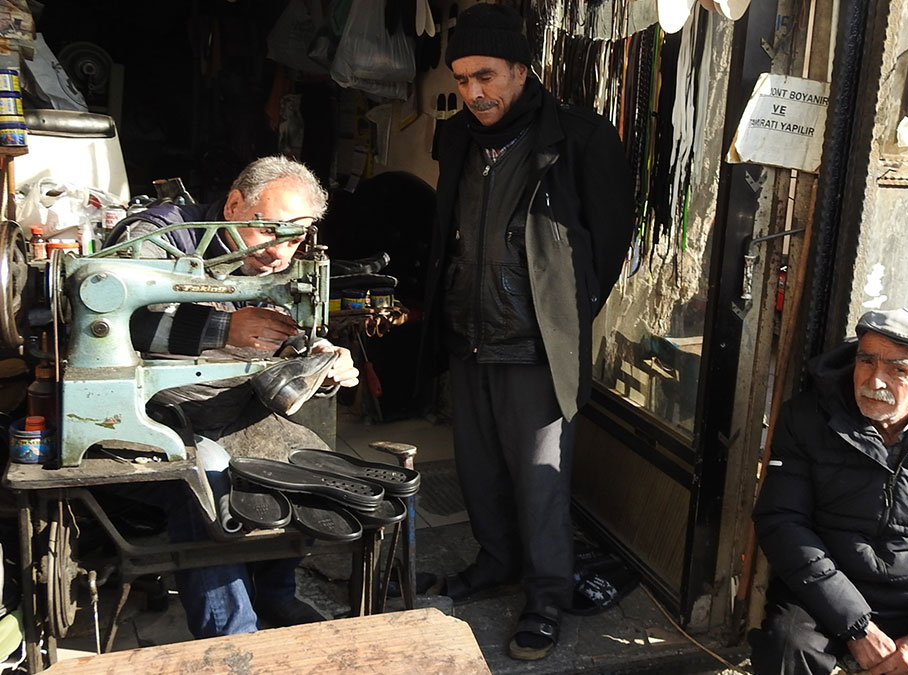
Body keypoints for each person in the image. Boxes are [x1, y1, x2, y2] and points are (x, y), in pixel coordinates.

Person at [421, 3, 635, 661]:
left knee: (541, 478)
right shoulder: (457, 137)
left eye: (485, 76)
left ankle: (545, 595)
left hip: (535, 342)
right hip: (469, 329)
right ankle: (495, 561)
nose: (473, 92)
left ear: (520, 69)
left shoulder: (579, 137)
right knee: (478, 466)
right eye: (461, 80)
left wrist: (566, 314)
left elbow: (609, 238)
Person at [115, 156, 360, 638]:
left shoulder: (269, 259)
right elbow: (128, 321)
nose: (280, 252)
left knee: (303, 460)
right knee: (205, 483)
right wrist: (226, 326)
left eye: (295, 237)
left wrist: (315, 359)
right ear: (232, 205)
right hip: (153, 417)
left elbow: (281, 332)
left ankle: (275, 594)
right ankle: (233, 639)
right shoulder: (155, 236)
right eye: (269, 231)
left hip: (229, 408)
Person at [750, 308, 908, 675]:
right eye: (866, 361)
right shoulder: (806, 419)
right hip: (823, 592)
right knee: (787, 650)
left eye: (898, 370)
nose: (875, 380)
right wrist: (855, 625)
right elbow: (782, 521)